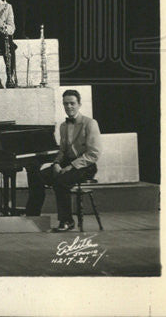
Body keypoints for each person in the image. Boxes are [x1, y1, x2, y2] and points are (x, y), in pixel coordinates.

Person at [26, 90, 101, 232]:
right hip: (67, 164)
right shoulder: (63, 126)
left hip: (86, 166)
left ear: (79, 104)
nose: (69, 107)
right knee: (38, 178)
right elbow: (62, 151)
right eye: (66, 104)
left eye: (72, 103)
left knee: (61, 181)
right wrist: (56, 164)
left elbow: (94, 153)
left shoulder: (90, 123)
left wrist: (71, 166)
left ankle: (67, 221)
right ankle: (32, 217)